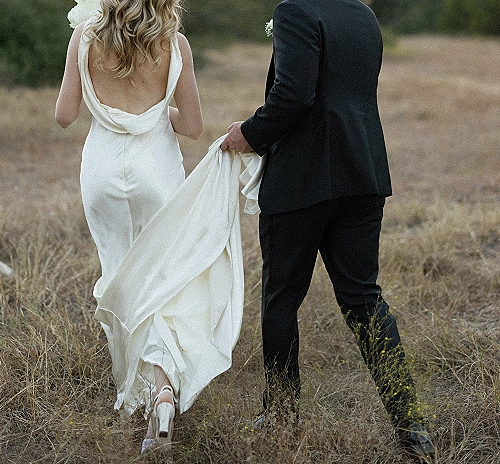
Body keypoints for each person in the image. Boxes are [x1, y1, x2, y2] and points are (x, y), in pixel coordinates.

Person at [220, 0, 435, 458]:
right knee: (364, 299)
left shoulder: (296, 10)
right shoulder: (363, 14)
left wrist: (250, 133)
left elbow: (294, 95)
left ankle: (280, 415)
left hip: (303, 178)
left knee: (281, 298)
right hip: (363, 171)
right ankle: (411, 422)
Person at [55, 0, 233, 456]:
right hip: (156, 169)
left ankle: (135, 388)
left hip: (101, 173)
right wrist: (159, 115)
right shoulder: (175, 45)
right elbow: (192, 127)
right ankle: (162, 391)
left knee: (120, 275)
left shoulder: (85, 38)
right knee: (161, 281)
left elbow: (64, 114)